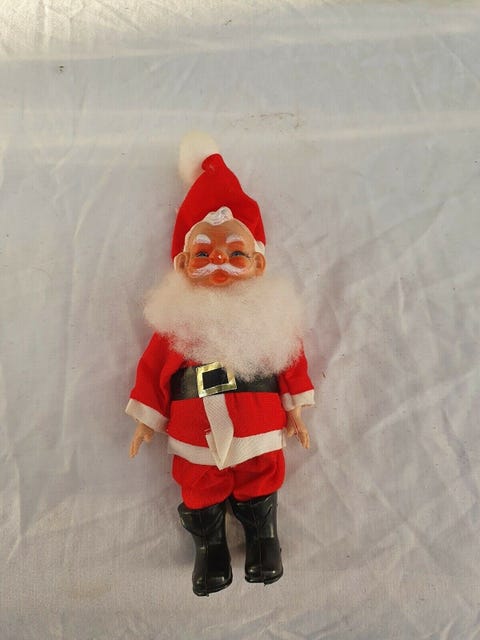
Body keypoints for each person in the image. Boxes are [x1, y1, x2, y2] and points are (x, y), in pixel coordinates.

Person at [126, 135, 314, 596]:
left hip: (259, 427)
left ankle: (264, 542)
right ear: (183, 264)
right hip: (194, 430)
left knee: (261, 477)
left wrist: (294, 408)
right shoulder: (176, 323)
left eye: (236, 254)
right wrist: (147, 419)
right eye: (203, 254)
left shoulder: (270, 318)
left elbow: (289, 361)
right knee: (198, 484)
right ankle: (209, 550)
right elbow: (153, 371)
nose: (219, 263)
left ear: (258, 264)